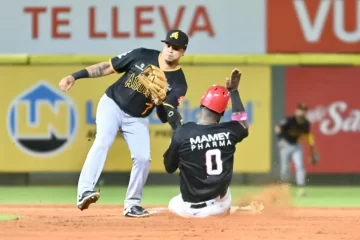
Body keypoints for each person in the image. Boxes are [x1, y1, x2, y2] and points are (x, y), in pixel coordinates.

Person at [58, 29, 189, 218]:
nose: (170, 50)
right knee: (103, 140)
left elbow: (163, 116)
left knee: (143, 159)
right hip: (112, 104)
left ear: (183, 52)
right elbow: (107, 67)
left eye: (175, 48)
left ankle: (132, 204)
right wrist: (75, 76)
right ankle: (84, 191)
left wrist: (160, 103)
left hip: (137, 118)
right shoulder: (142, 54)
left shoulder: (179, 82)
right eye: (168, 45)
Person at [163, 68, 250, 218]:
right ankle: (231, 209)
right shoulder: (229, 132)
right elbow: (243, 125)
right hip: (219, 208)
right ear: (222, 112)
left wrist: (176, 136)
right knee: (223, 192)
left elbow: (169, 167)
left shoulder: (183, 132)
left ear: (202, 103)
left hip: (189, 210)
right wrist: (234, 91)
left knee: (172, 204)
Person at [275, 103, 319, 197]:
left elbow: (308, 136)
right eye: (300, 109)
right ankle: (284, 190)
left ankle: (301, 190)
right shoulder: (289, 120)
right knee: (285, 169)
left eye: (304, 110)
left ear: (306, 112)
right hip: (285, 145)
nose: (302, 111)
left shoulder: (306, 123)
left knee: (300, 166)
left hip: (296, 146)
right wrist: (280, 141)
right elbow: (278, 128)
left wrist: (312, 150)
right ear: (297, 110)